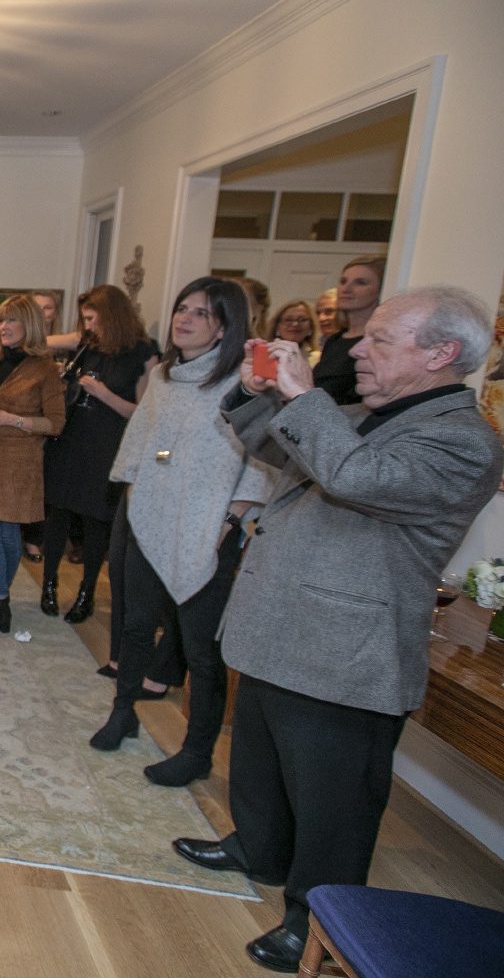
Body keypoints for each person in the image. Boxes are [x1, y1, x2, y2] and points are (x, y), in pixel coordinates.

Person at [173, 286, 503, 973]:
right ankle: (257, 848)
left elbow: (356, 476)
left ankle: (316, 916)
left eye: (381, 339)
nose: (358, 350)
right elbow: (277, 447)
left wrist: (302, 397)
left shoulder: (463, 441)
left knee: (333, 806)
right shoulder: (360, 415)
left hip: (346, 652)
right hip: (281, 628)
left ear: (441, 353)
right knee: (261, 764)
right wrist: (253, 391)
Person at [89, 277, 273, 787]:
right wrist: (136, 499)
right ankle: (122, 712)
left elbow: (260, 463)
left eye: (201, 313)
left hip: (210, 529)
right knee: (133, 626)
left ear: (225, 328)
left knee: (200, 651)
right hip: (148, 518)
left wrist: (228, 523)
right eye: (182, 308)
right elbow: (139, 443)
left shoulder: (246, 383)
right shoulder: (165, 377)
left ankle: (197, 752)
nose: (184, 319)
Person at [40, 285, 158, 623]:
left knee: (96, 523)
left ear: (112, 315)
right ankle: (48, 584)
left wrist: (103, 393)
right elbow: (44, 341)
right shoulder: (88, 345)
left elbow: (144, 413)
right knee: (57, 515)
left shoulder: (143, 352)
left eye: (93, 318)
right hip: (70, 441)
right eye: (85, 320)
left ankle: (86, 592)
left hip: (107, 446)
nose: (88, 326)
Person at [0, 295, 66, 637]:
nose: (3, 327)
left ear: (29, 325)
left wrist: (10, 418)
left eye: (11, 320)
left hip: (17, 464)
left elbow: (55, 424)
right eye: (1, 320)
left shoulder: (45, 369)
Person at [20, 290, 63, 562]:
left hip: (50, 424)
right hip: (23, 426)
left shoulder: (65, 346)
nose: (42, 312)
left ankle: (34, 540)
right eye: (37, 307)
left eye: (48, 308)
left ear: (54, 313)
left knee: (42, 485)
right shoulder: (18, 346)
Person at [312, 256, 386, 404]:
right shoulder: (334, 340)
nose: (346, 289)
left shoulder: (380, 342)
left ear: (380, 290)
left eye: (360, 282)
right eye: (343, 281)